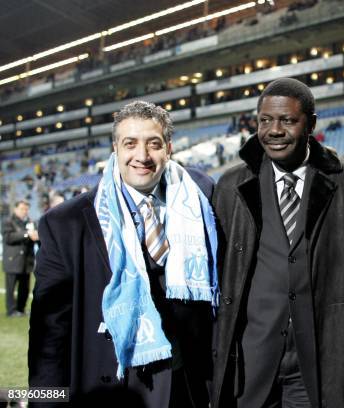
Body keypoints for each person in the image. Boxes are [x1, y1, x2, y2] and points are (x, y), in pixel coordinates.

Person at [28, 101, 218, 407]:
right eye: (130, 143)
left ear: (168, 148)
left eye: (153, 144)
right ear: (115, 148)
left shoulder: (200, 199)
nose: (142, 156)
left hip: (187, 385)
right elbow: (48, 335)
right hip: (111, 388)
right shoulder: (66, 223)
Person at [211, 78, 344, 408]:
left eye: (287, 120)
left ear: (311, 124)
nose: (274, 130)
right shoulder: (230, 186)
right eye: (265, 120)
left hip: (320, 362)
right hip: (252, 363)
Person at [2, 200, 38, 317]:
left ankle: (21, 309)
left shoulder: (30, 222)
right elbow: (9, 238)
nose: (24, 211)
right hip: (13, 260)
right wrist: (26, 234)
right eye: (22, 209)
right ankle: (11, 310)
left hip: (26, 261)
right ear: (16, 209)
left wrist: (35, 236)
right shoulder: (8, 221)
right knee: (11, 288)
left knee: (25, 288)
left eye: (26, 209)